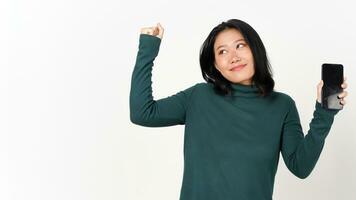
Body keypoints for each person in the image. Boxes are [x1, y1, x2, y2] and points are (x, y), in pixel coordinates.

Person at [129, 19, 348, 200]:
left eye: (240, 46)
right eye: (222, 51)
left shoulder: (283, 105)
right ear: (215, 64)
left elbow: (301, 167)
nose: (233, 57)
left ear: (255, 49)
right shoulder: (198, 97)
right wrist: (147, 50)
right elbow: (142, 113)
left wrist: (324, 113)